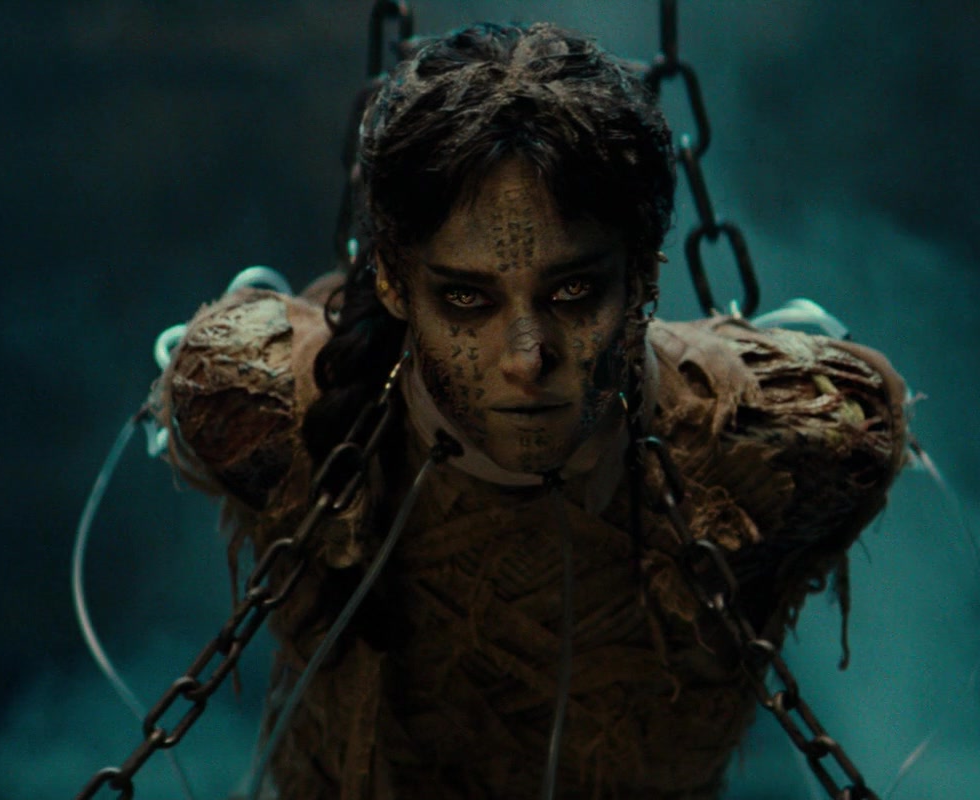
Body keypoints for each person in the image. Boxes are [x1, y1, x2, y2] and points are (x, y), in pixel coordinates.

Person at [152, 21, 908, 799]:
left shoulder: (783, 439)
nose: (526, 358)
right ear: (393, 285)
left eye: (573, 292)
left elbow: (855, 428)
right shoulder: (261, 405)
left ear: (645, 277)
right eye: (467, 299)